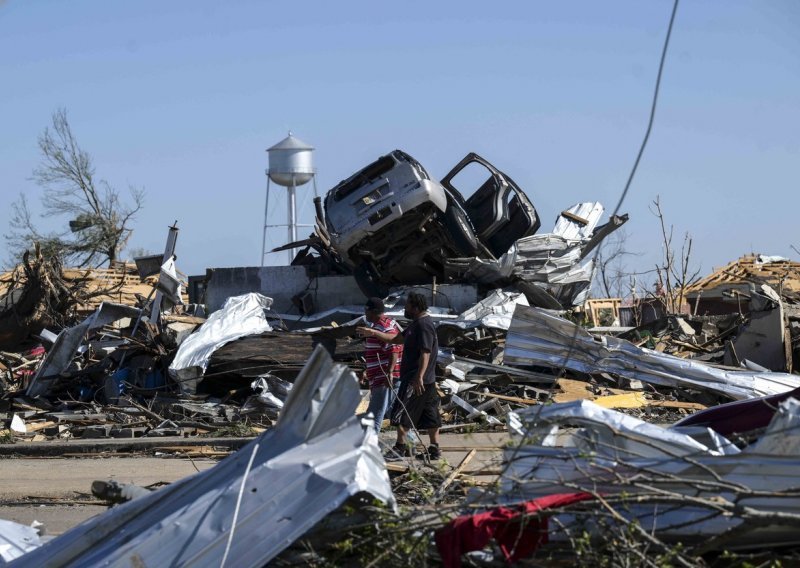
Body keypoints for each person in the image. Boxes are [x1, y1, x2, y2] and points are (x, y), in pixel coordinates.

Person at [385, 292, 442, 461]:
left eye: (407, 305)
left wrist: (418, 377)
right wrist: (373, 333)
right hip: (426, 380)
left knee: (402, 412)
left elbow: (425, 352)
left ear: (415, 308)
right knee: (430, 414)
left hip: (415, 380)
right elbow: (397, 339)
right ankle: (434, 449)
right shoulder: (416, 324)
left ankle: (400, 448)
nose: (405, 308)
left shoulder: (423, 325)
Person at [356, 297, 403, 432]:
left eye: (366, 310)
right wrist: (367, 370)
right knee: (393, 412)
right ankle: (407, 443)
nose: (365, 313)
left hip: (384, 379)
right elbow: (382, 352)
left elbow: (395, 348)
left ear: (374, 311)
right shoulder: (381, 325)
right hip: (383, 376)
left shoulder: (383, 327)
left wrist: (389, 373)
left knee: (375, 415)